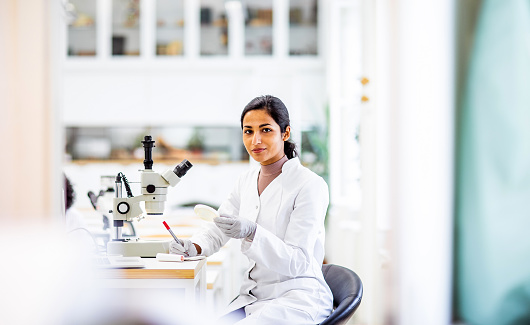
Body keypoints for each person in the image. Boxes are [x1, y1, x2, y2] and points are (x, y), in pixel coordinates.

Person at [170, 95, 333, 324]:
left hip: (296, 298)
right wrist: (194, 246)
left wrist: (252, 232)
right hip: (255, 297)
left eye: (265, 130)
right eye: (248, 131)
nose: (255, 140)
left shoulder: (310, 185)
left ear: (285, 133)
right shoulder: (246, 180)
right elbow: (219, 227)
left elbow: (298, 261)